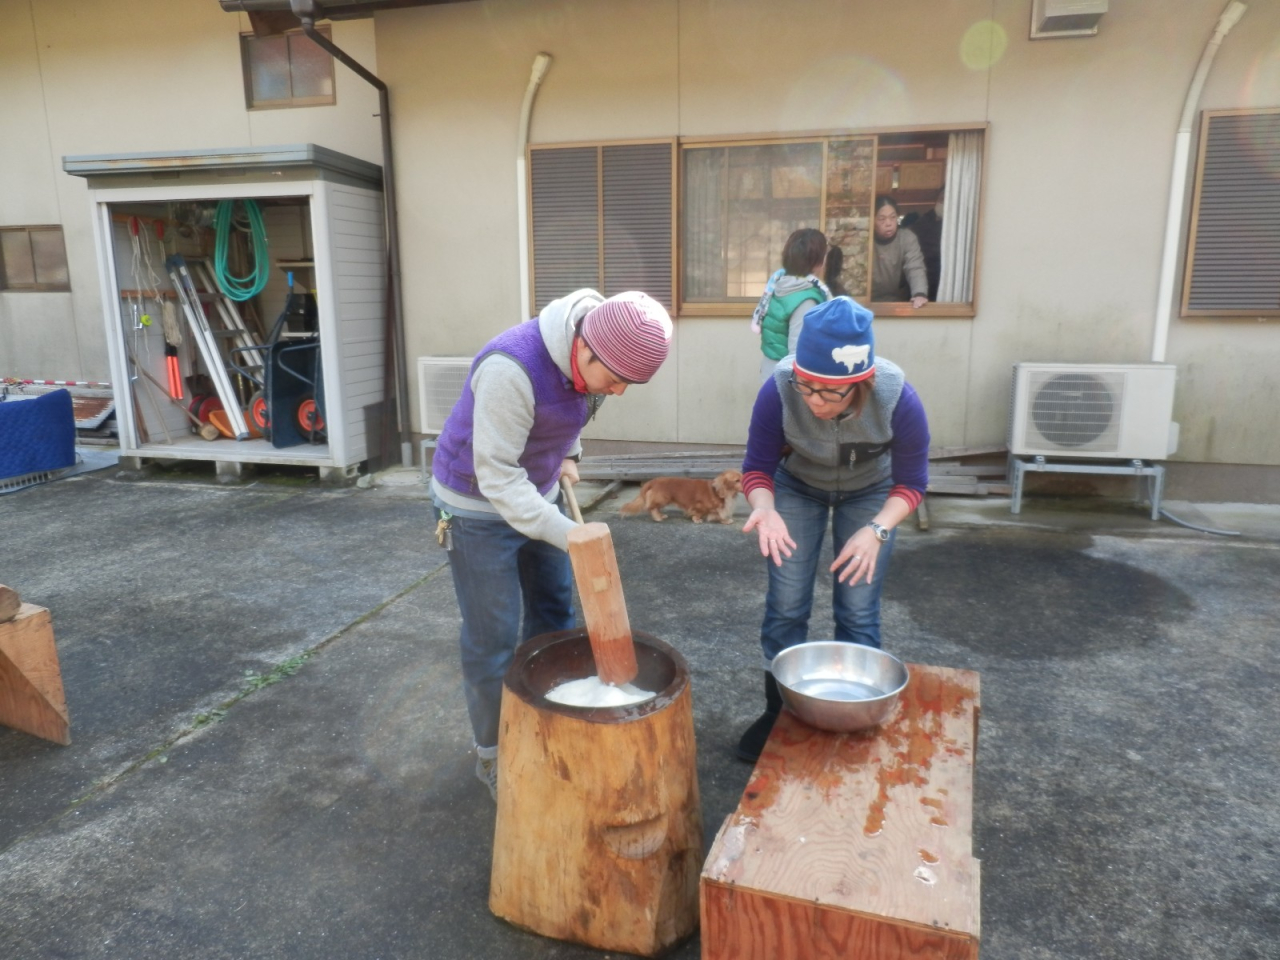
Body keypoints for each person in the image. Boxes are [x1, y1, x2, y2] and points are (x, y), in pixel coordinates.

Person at [430, 289, 673, 799]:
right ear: (583, 348)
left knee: (553, 612)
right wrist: (571, 535)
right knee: (492, 637)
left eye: (630, 383)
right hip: (475, 504)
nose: (620, 391)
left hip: (537, 490)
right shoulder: (510, 369)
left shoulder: (603, 347)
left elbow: (574, 408)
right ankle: (494, 754)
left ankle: (547, 723)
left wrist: (569, 452)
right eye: (615, 379)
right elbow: (495, 476)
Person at [736, 295, 930, 761]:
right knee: (786, 602)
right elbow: (757, 468)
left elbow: (913, 483)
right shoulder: (780, 388)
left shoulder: (898, 398)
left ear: (860, 382)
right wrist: (765, 507)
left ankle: (857, 713)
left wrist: (878, 529)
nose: (814, 401)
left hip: (870, 494)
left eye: (828, 392)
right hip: (797, 487)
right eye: (807, 386)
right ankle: (776, 711)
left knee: (858, 606)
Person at [750, 228, 830, 382]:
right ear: (816, 262)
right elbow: (797, 356)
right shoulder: (805, 300)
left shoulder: (778, 285)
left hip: (769, 371)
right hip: (785, 382)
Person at [871, 196, 928, 307]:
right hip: (865, 303)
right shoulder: (863, 238)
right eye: (882, 219)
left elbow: (915, 267)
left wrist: (919, 293)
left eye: (893, 217)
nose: (888, 223)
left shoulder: (906, 238)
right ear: (871, 220)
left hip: (897, 302)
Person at [909, 186, 944, 301]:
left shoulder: (959, 224)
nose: (943, 203)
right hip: (924, 278)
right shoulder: (924, 221)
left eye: (946, 200)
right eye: (941, 199)